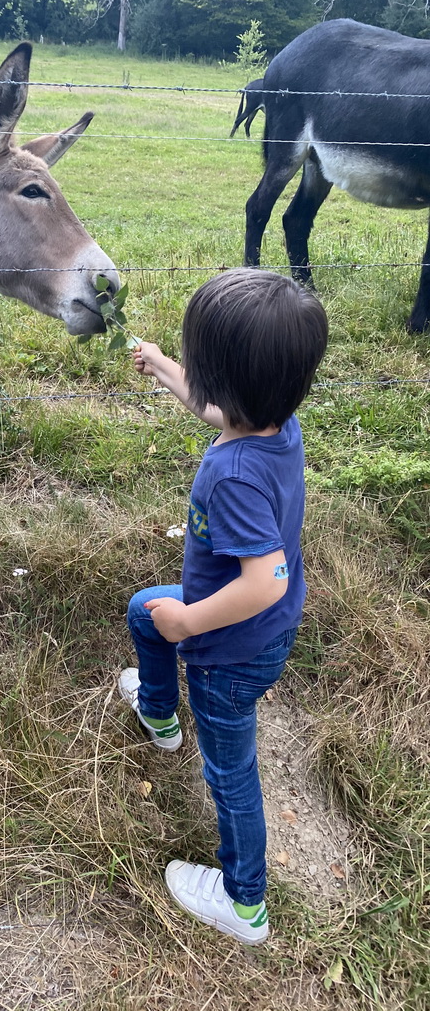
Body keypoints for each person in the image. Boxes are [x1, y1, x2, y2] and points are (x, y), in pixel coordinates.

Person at [120, 267, 328, 945]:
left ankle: (244, 905)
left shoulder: (232, 473)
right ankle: (158, 713)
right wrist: (161, 367)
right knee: (142, 608)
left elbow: (263, 577)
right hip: (261, 630)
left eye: (199, 367)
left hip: (230, 650)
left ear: (229, 384)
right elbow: (217, 407)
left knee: (231, 773)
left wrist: (191, 623)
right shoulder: (274, 427)